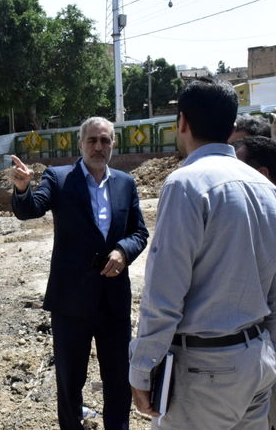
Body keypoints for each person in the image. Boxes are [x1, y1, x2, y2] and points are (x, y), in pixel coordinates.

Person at [130, 78, 276, 429]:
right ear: (230, 125)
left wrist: (141, 369)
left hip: (206, 373)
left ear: (182, 122)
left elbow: (164, 292)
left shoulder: (187, 183)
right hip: (257, 363)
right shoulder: (266, 187)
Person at [10, 116, 148, 430]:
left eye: (105, 140)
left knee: (117, 379)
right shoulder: (59, 178)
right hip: (71, 302)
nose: (99, 147)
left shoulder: (126, 183)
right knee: (70, 382)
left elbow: (139, 232)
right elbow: (32, 208)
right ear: (81, 143)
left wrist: (123, 251)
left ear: (113, 144)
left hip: (113, 300)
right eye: (92, 140)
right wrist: (22, 189)